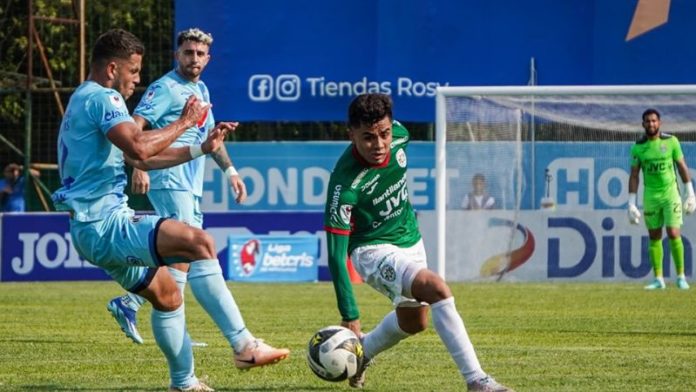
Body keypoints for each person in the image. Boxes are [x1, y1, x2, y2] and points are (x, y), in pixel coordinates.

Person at [52, 29, 287, 392]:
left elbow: (134, 153)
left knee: (168, 294)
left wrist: (199, 149)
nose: (137, 80)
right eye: (133, 71)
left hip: (93, 226)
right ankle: (244, 345)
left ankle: (184, 384)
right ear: (112, 68)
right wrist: (184, 124)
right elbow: (139, 148)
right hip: (104, 222)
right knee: (199, 243)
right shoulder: (104, 98)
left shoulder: (86, 98)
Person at [323, 93, 513, 391]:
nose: (380, 144)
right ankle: (477, 380)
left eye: (383, 134)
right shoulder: (344, 185)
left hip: (410, 238)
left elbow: (392, 139)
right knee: (437, 287)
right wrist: (350, 315)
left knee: (415, 322)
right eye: (368, 138)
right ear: (351, 135)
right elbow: (335, 256)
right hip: (372, 249)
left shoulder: (401, 135)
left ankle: (363, 353)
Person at [106, 28, 249, 352]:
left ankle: (132, 303)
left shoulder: (200, 89)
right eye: (188, 52)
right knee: (186, 249)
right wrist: (137, 164)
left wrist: (231, 171)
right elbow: (133, 127)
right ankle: (178, 327)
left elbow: (209, 138)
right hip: (169, 178)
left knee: (182, 255)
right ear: (177, 55)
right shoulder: (165, 88)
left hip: (189, 182)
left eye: (200, 54)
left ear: (208, 59)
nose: (194, 58)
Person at [628, 108, 695, 290]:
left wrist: (690, 192)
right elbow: (634, 175)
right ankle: (659, 279)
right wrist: (631, 203)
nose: (651, 124)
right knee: (654, 236)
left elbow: (681, 167)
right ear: (643, 125)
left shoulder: (671, 142)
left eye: (654, 121)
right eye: (648, 121)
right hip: (651, 195)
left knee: (673, 233)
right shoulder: (638, 147)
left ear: (660, 123)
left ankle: (681, 277)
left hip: (670, 194)